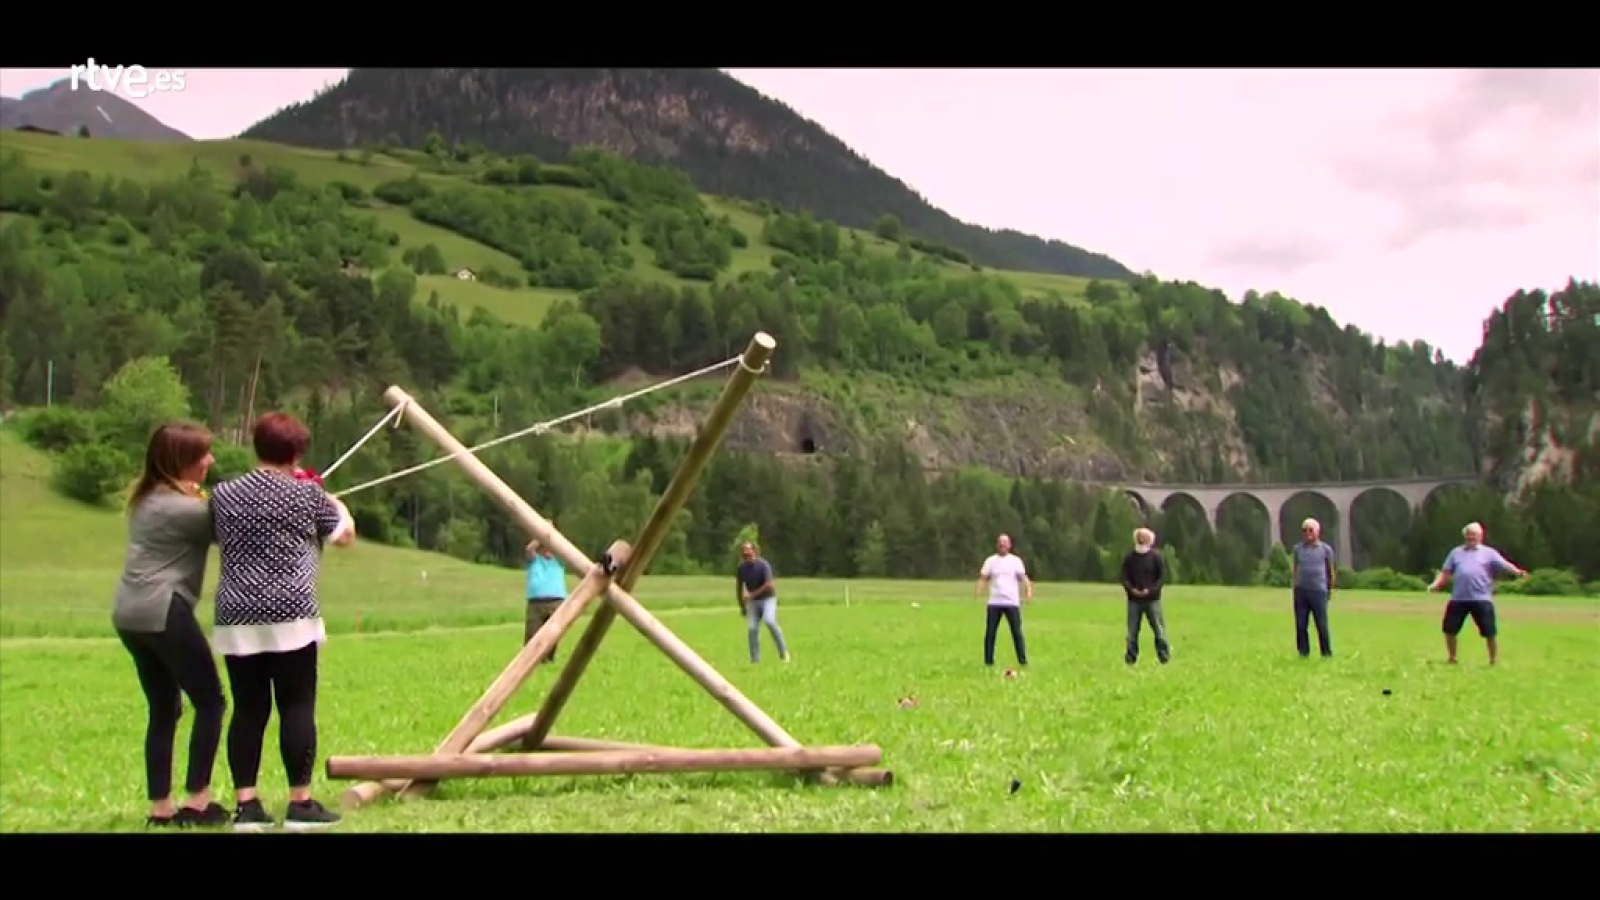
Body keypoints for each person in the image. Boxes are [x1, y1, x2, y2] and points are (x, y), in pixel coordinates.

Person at [209, 412, 356, 831]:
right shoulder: (307, 495)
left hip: (236, 613)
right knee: (296, 705)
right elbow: (345, 535)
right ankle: (300, 802)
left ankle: (248, 806)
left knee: (248, 709)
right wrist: (333, 500)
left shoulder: (223, 494)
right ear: (296, 453)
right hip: (291, 612)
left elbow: (221, 536)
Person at [112, 422, 230, 828]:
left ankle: (160, 808)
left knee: (164, 708)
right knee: (211, 701)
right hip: (164, 610)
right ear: (181, 462)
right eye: (203, 456)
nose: (211, 461)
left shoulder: (149, 500)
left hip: (130, 614)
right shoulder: (184, 510)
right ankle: (198, 803)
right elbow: (233, 523)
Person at [1427, 521, 1528, 666]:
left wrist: (1518, 572)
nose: (1471, 537)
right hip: (1459, 598)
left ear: (1481, 536)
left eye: (1474, 534)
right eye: (1468, 534)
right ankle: (1452, 658)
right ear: (1464, 536)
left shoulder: (1489, 553)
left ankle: (1493, 660)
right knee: (1449, 629)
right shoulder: (1456, 553)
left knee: (1489, 631)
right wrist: (1436, 585)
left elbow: (1505, 564)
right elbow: (1445, 572)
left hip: (1482, 599)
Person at [977, 533, 1032, 669]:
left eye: (1005, 542)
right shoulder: (990, 561)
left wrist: (1028, 590)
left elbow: (1023, 578)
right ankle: (988, 661)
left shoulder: (1015, 561)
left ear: (1009, 545)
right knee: (990, 633)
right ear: (997, 545)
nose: (1002, 545)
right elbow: (983, 578)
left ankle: (1022, 660)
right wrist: (979, 591)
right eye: (1000, 542)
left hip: (1012, 603)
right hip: (994, 602)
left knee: (1017, 632)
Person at [1119, 527, 1171, 665]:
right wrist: (1132, 590)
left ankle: (1164, 657)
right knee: (1132, 632)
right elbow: (1124, 577)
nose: (1142, 539)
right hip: (1134, 600)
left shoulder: (1156, 557)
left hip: (1152, 600)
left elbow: (1161, 577)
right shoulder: (1129, 558)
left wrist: (1151, 591)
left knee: (1159, 630)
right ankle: (1131, 659)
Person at [737, 541, 789, 663]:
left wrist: (751, 595)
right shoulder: (742, 568)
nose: (746, 554)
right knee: (752, 629)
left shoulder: (763, 565)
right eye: (744, 553)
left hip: (768, 599)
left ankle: (784, 653)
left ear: (754, 551)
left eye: (748, 551)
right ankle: (755, 659)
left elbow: (769, 585)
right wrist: (742, 606)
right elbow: (739, 587)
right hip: (753, 602)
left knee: (770, 621)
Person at [1291, 517, 1336, 658]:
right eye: (1305, 530)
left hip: (1318, 591)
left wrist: (1329, 589)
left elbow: (1330, 571)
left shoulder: (1326, 549)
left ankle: (1326, 653)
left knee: (1321, 624)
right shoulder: (1298, 549)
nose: (1307, 533)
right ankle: (1303, 652)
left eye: (1311, 530)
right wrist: (1295, 586)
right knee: (1300, 624)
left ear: (1318, 531)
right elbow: (1295, 568)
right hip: (1301, 591)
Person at [523, 535, 568, 662]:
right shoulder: (535, 559)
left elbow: (565, 549)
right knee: (532, 633)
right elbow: (529, 549)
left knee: (552, 634)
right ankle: (530, 660)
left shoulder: (559, 561)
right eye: (545, 547)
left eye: (550, 548)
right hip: (535, 602)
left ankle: (548, 659)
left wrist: (552, 534)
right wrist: (542, 534)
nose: (548, 551)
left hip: (556, 601)